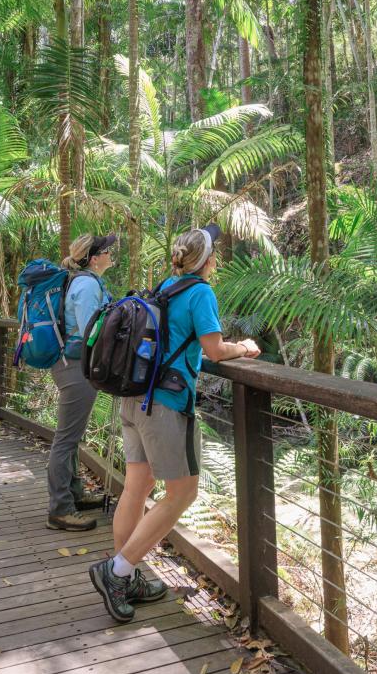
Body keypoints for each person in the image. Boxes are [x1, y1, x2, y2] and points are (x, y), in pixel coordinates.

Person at [88, 223, 261, 621]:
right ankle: (117, 572)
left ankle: (125, 574)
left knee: (137, 487)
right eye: (215, 253)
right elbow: (215, 350)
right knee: (183, 494)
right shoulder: (200, 292)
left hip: (135, 400)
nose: (217, 258)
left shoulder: (165, 285)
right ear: (208, 261)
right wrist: (246, 348)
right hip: (165, 404)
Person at [46, 233, 115, 532]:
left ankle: (73, 495)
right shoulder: (87, 285)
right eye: (107, 250)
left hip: (70, 364)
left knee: (72, 437)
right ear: (94, 258)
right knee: (66, 439)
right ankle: (60, 510)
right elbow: (92, 330)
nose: (111, 253)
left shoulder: (83, 282)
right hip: (75, 366)